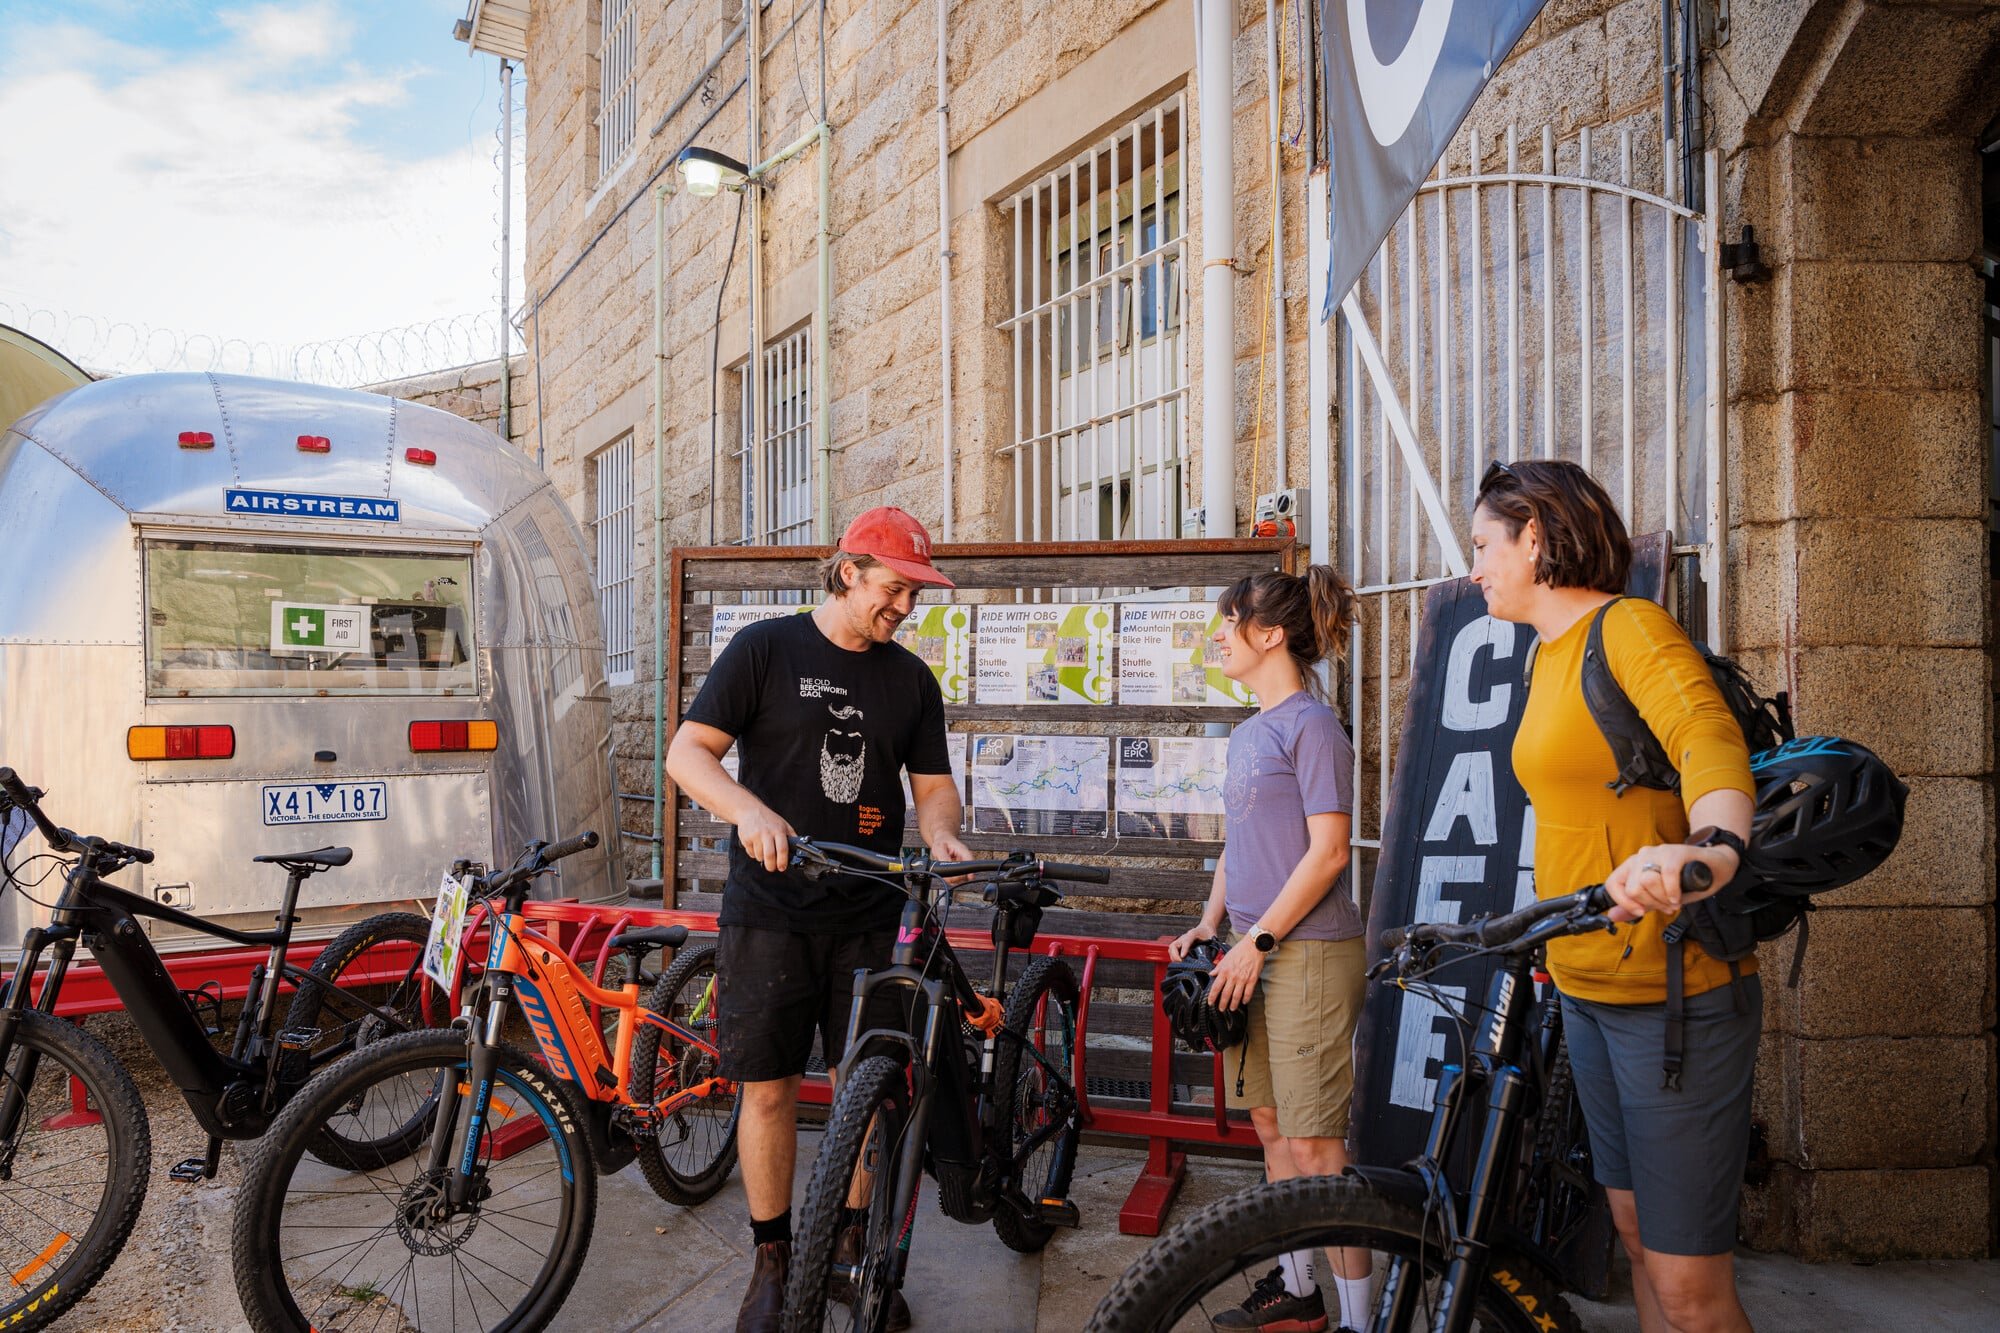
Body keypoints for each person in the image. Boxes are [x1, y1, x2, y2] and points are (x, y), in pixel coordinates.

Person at [666, 505, 971, 1333]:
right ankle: (772, 1260)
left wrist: (941, 831)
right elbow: (688, 752)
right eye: (895, 589)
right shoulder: (766, 648)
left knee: (861, 1097)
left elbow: (932, 783)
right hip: (770, 911)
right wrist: (747, 811)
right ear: (848, 572)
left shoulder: (910, 680)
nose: (905, 606)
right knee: (765, 1091)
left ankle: (843, 1247)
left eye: (915, 593)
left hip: (874, 911)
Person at [1470, 458, 1757, 1333]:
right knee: (1636, 1240)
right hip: (1588, 988)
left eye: (1484, 543)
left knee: (1689, 1287)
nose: (1473, 565)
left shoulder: (1630, 629)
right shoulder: (1545, 656)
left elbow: (1707, 740)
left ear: (1536, 536)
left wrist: (1710, 847)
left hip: (1672, 1002)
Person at [1168, 565, 1373, 1333]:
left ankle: (1359, 1320)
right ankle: (1300, 1293)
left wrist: (1256, 940)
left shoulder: (1312, 726)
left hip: (1308, 954)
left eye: (1229, 620)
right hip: (1248, 953)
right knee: (1270, 1129)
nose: (1218, 635)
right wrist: (1208, 922)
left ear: (1270, 633)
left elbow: (1328, 852)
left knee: (1319, 1148)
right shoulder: (1250, 730)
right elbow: (1240, 843)